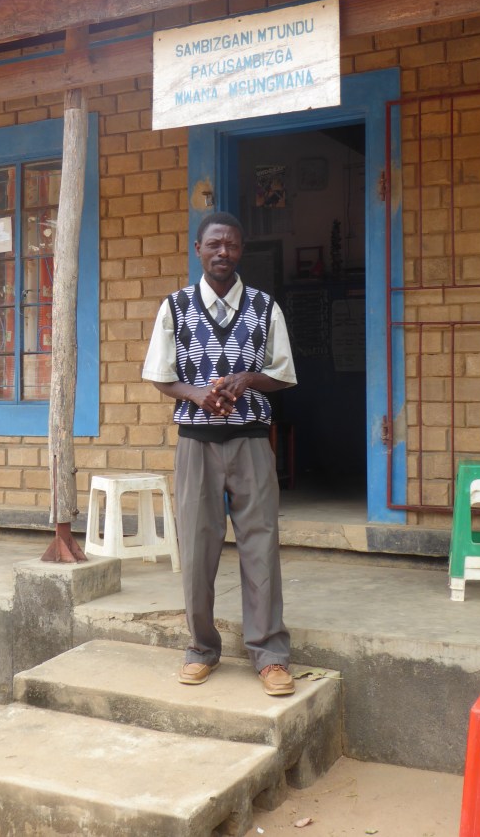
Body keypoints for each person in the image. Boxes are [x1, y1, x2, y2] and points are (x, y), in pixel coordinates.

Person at [142, 211, 297, 696]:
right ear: (198, 249)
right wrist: (197, 395)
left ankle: (269, 655)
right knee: (197, 546)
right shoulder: (175, 307)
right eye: (214, 244)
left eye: (231, 244)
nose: (223, 252)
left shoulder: (265, 307)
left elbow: (282, 374)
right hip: (197, 445)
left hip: (251, 442)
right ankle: (201, 648)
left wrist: (246, 379)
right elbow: (160, 375)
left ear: (241, 250)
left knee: (260, 544)